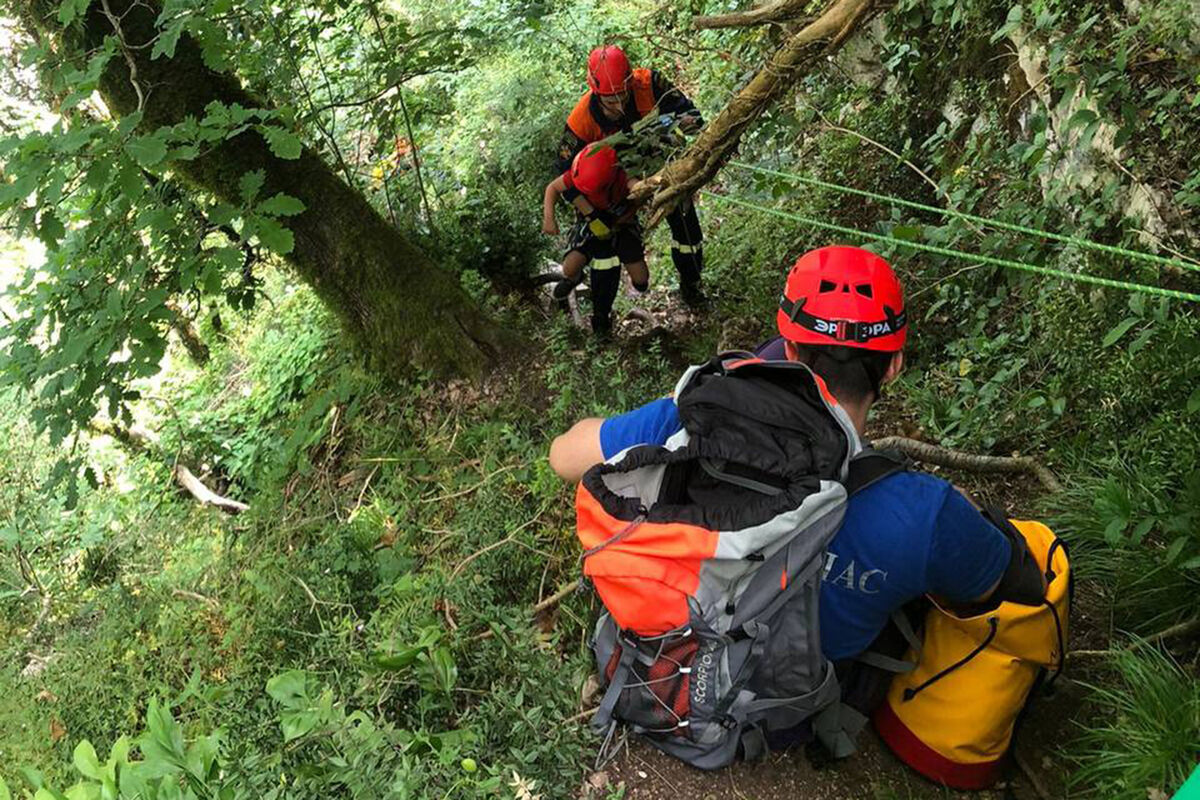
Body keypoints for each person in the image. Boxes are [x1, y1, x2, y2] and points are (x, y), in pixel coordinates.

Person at [549, 246, 1018, 687]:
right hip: (783, 710)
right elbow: (1000, 583)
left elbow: (563, 457)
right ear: (894, 366)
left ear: (790, 350)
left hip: (666, 668)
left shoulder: (698, 417)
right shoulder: (926, 513)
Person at [556, 45, 707, 307]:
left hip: (659, 171)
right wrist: (591, 214)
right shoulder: (581, 120)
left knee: (687, 233)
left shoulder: (650, 84)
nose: (618, 105)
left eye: (623, 96)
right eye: (609, 100)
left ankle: (691, 285)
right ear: (594, 89)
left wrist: (677, 128)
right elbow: (563, 174)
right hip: (608, 190)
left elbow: (693, 117)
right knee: (602, 255)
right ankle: (597, 313)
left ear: (630, 81)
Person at [543, 144, 650, 336]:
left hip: (621, 223)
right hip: (591, 222)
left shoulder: (622, 173)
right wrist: (549, 218)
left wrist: (642, 193)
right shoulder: (580, 169)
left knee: (641, 280)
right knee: (570, 268)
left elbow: (638, 192)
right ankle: (576, 280)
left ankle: (625, 280)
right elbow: (553, 187)